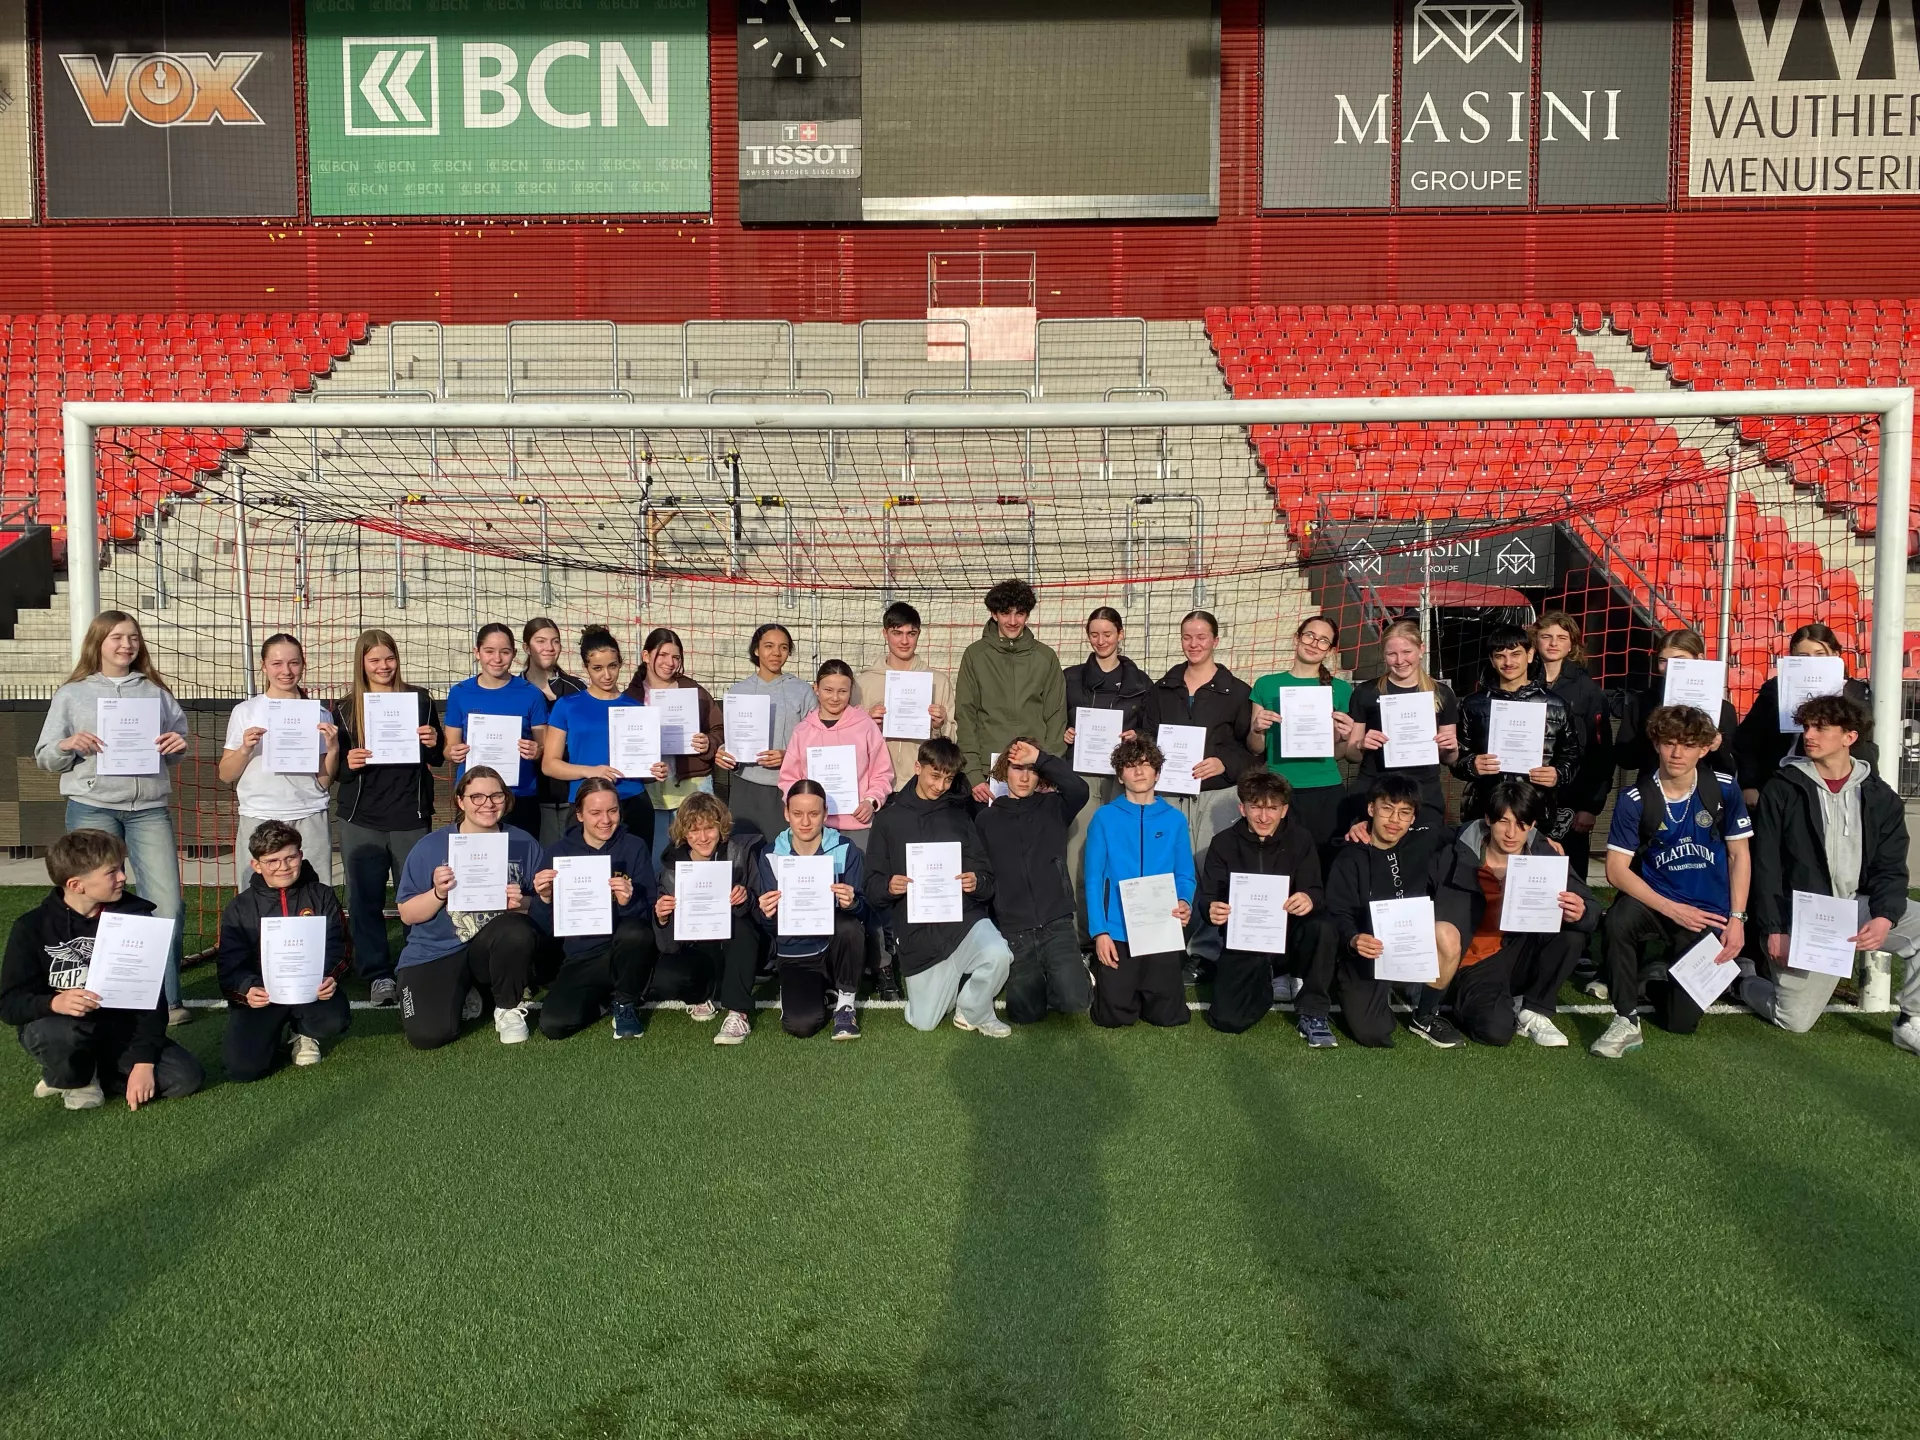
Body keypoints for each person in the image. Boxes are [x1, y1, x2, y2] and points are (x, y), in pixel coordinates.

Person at [34, 610, 191, 1027]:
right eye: (117, 637)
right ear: (98, 642)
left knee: (167, 905)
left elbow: (178, 742)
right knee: (98, 902)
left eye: (133, 637)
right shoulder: (72, 694)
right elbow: (45, 756)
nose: (127, 645)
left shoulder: (156, 692)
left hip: (148, 810)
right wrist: (67, 744)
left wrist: (177, 745)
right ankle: (100, 992)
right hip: (92, 806)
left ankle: (167, 999)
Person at [1741, 693, 1920, 1042]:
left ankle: (1910, 1021)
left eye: (1821, 728)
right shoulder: (1782, 787)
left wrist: (1884, 916)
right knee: (1794, 1019)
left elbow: (1891, 867)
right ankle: (1744, 980)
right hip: (1803, 916)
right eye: (1807, 727)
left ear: (1849, 737)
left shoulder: (1880, 796)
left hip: (1858, 908)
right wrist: (1776, 929)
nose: (1809, 735)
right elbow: (1766, 866)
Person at [1593, 704, 1753, 1058]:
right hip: (1658, 903)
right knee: (1618, 919)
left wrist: (1737, 919)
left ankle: (1655, 978)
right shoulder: (1634, 799)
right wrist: (1671, 908)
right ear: (1656, 744)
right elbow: (1616, 871)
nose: (1677, 753)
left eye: (1688, 744)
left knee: (1681, 1023)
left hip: (1708, 913)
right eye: (1669, 743)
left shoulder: (1724, 789)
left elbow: (1739, 856)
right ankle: (1625, 1019)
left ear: (1705, 748)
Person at [1, 829, 203, 1110]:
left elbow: (150, 999)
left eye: (121, 868)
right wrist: (54, 1003)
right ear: (76, 885)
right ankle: (78, 1080)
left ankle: (76, 1072)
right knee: (59, 1033)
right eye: (112, 872)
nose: (122, 877)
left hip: (119, 1029)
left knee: (185, 1078)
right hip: (60, 1026)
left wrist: (143, 1063)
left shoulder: (136, 916)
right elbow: (9, 1004)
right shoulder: (32, 927)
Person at [1429, 780, 1597, 1047]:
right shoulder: (1453, 852)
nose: (1511, 833)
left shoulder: (1544, 855)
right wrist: (1367, 829)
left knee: (1571, 936)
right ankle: (1482, 1002)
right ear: (1488, 819)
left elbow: (1591, 907)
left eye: (1521, 824)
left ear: (1532, 825)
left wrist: (1581, 912)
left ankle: (1534, 1009)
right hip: (1473, 963)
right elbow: (1412, 840)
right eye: (1503, 822)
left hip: (1517, 950)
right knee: (1495, 1032)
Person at [864, 737, 1014, 1036]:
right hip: (919, 934)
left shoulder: (960, 815)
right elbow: (871, 886)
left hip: (963, 921)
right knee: (924, 1022)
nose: (940, 786)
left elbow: (986, 877)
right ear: (917, 767)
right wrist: (889, 887)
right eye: (935, 776)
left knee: (999, 954)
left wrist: (976, 881)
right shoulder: (888, 819)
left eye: (948, 779)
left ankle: (973, 1010)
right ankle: (950, 982)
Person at [329, 628, 445, 1008]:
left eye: (389, 658)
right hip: (361, 818)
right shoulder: (346, 709)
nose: (383, 666)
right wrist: (348, 764)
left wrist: (435, 743)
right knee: (365, 900)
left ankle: (418, 965)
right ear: (362, 663)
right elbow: (337, 772)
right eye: (375, 660)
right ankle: (378, 973)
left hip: (410, 815)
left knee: (418, 895)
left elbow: (436, 757)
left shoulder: (420, 700)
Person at [392, 767, 548, 1049]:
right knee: (428, 1035)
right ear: (460, 801)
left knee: (516, 929)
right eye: (477, 797)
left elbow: (546, 908)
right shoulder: (430, 846)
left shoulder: (524, 842)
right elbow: (407, 914)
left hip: (490, 949)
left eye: (496, 796)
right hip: (437, 950)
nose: (487, 804)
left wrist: (522, 904)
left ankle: (507, 1006)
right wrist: (438, 893)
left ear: (506, 799)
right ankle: (469, 992)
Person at [1196, 769, 1338, 1044]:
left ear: (1284, 810)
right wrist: (1211, 909)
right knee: (1227, 1020)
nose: (1264, 817)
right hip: (1245, 938)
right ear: (1243, 808)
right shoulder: (1223, 843)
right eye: (1256, 807)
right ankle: (1267, 979)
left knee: (1323, 926)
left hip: (1291, 935)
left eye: (1272, 808)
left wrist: (1308, 898)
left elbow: (1316, 890)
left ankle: (1313, 1011)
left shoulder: (1301, 839)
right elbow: (1208, 895)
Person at [216, 820, 352, 1082]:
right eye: (273, 861)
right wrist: (248, 989)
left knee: (333, 1018)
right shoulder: (241, 907)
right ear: (256, 865)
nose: (283, 867)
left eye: (290, 857)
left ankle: (304, 1032)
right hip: (265, 996)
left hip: (311, 992)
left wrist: (330, 976)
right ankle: (269, 1036)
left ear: (300, 855)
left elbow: (341, 945)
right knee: (243, 1069)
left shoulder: (321, 895)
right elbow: (229, 965)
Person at [1325, 774, 1453, 1048]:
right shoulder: (1350, 856)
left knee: (1447, 933)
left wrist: (1539, 839)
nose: (1394, 820)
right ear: (1371, 809)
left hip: (1411, 951)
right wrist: (1353, 939)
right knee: (1373, 1033)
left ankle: (1424, 1013)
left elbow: (1476, 829)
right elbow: (1337, 910)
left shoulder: (1424, 839)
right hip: (1367, 954)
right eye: (1387, 809)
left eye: (1404, 813)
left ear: (1413, 818)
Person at [531, 777, 660, 1042]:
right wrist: (543, 898)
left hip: (625, 950)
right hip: (582, 956)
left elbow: (649, 914)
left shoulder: (634, 846)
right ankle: (604, 1001)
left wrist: (629, 902)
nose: (606, 820)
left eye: (612, 811)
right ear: (579, 815)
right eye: (595, 813)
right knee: (555, 1024)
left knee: (636, 934)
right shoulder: (558, 852)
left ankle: (625, 1002)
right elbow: (543, 927)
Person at [1083, 735, 1196, 1029]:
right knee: (1112, 1017)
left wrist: (1184, 901)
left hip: (1162, 927)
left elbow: (1185, 875)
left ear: (1157, 773)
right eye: (1130, 765)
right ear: (1120, 776)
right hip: (1118, 931)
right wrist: (1100, 932)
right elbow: (1093, 879)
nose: (1139, 771)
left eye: (1146, 764)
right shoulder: (1104, 818)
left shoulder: (1174, 820)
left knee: (1168, 1017)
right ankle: (1099, 972)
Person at [976, 739, 1091, 1023]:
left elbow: (1080, 789)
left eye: (1032, 770)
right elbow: (984, 873)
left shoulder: (1054, 806)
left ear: (1041, 775)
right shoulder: (986, 819)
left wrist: (1040, 757)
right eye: (1018, 768)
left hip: (1057, 922)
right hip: (1016, 930)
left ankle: (1073, 973)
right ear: (1004, 772)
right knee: (1025, 1014)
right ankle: (1046, 979)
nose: (1024, 777)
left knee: (1075, 1002)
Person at [1061, 607, 1154, 944]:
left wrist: (1138, 737)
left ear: (1120, 634)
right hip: (1082, 778)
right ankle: (1079, 936)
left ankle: (1123, 932)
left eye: (1108, 634)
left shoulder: (1142, 683)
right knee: (1079, 856)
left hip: (1121, 779)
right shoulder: (1069, 678)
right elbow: (1054, 720)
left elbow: (1152, 730)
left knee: (1122, 855)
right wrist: (1064, 733)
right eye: (1094, 634)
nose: (1101, 641)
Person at [219, 632, 339, 887]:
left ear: (303, 665)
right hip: (259, 814)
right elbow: (226, 774)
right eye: (277, 663)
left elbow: (323, 781)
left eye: (293, 663)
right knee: (257, 899)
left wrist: (333, 750)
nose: (286, 671)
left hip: (309, 814)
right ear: (263, 666)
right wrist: (245, 749)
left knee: (314, 897)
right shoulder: (245, 711)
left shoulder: (319, 714)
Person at [753, 780, 869, 1040]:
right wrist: (766, 914)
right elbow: (769, 926)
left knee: (849, 925)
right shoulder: (771, 854)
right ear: (786, 813)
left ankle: (846, 1002)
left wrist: (854, 904)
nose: (805, 822)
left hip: (834, 946)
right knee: (801, 1025)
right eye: (797, 813)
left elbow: (865, 915)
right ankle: (814, 991)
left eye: (814, 813)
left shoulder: (846, 849)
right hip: (796, 951)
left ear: (825, 814)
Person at [652, 791, 765, 1047]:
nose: (702, 837)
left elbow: (763, 917)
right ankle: (704, 993)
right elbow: (667, 946)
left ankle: (738, 1012)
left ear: (721, 827)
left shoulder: (741, 852)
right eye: (694, 830)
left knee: (742, 926)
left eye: (709, 828)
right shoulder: (671, 868)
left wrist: (746, 899)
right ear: (683, 833)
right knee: (664, 978)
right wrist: (662, 919)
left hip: (738, 947)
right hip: (699, 948)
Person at [1146, 610, 1257, 866]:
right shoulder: (1161, 689)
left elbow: (1252, 752)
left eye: (1201, 637)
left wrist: (1224, 763)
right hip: (1170, 795)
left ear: (1215, 641)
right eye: (1187, 637)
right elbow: (1148, 735)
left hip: (1217, 796)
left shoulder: (1238, 692)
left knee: (1212, 867)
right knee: (1169, 868)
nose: (1193, 644)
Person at [1451, 623, 1581, 839]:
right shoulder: (1472, 704)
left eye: (1515, 654)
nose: (1508, 662)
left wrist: (1558, 774)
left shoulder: (1556, 704)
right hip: (1484, 812)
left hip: (1536, 811)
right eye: (1500, 656)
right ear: (1492, 660)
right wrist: (1472, 764)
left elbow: (1572, 755)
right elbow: (1455, 757)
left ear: (1530, 655)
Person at [541, 626, 666, 847]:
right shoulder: (567, 706)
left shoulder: (636, 708)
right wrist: (591, 771)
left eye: (612, 666)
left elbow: (643, 769)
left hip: (632, 803)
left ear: (620, 664)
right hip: (586, 804)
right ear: (586, 667)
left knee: (633, 868)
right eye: (597, 668)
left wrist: (654, 771)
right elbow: (549, 765)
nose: (606, 675)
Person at [1249, 615, 1360, 855]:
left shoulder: (1340, 689)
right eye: (1309, 636)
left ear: (1330, 650)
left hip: (1325, 790)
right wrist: (1257, 729)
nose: (1314, 644)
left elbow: (1338, 754)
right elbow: (1256, 747)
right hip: (1278, 789)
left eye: (1323, 640)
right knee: (1280, 862)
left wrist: (1343, 737)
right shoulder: (1266, 684)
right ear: (1296, 638)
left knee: (1326, 863)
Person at [1731, 622, 1877, 805]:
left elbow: (1864, 743)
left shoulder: (1856, 693)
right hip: (1780, 781)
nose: (1812, 661)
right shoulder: (1775, 690)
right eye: (1803, 656)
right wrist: (1749, 785)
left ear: (1836, 655)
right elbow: (1747, 739)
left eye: (1820, 654)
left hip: (1839, 787)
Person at [955, 578, 1066, 802]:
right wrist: (974, 774)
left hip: (1033, 773)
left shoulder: (1045, 657)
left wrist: (1047, 769)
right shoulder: (975, 655)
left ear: (1027, 615)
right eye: (1006, 613)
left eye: (1020, 613)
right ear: (994, 614)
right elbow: (966, 717)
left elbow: (1056, 718)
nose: (1013, 621)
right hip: (987, 774)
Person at [1345, 618, 1461, 831]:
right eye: (1392, 654)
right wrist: (1361, 744)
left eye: (1407, 652)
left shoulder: (1442, 694)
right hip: (1376, 787)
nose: (1400, 660)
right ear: (1384, 655)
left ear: (1421, 649)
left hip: (1424, 791)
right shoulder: (1366, 692)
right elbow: (1352, 755)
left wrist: (1451, 748)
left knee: (1423, 850)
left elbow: (1449, 758)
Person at [626, 628, 724, 868]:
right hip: (651, 792)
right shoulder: (631, 697)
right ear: (646, 656)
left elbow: (719, 729)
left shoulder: (694, 691)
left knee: (699, 856)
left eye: (676, 657)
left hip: (693, 786)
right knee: (656, 861)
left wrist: (708, 742)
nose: (670, 663)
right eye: (663, 655)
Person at [443, 623, 550, 838]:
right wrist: (453, 752)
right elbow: (448, 749)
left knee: (519, 857)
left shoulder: (531, 694)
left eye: (505, 652)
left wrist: (535, 751)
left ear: (514, 654)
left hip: (519, 795)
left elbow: (544, 747)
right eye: (489, 651)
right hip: (475, 797)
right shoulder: (460, 693)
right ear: (477, 653)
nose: (497, 658)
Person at [1531, 611, 1613, 884]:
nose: (1553, 643)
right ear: (1535, 641)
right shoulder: (1520, 682)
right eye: (1546, 636)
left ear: (1572, 645)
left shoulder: (1588, 691)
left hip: (1571, 800)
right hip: (1525, 796)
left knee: (1569, 878)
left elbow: (1601, 754)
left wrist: (1591, 806)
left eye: (1561, 637)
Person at [778, 659, 894, 849]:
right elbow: (789, 779)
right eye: (828, 690)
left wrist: (870, 801)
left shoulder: (865, 726)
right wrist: (801, 809)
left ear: (850, 691)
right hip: (814, 828)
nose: (835, 697)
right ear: (816, 688)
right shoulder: (803, 731)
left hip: (857, 825)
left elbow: (882, 773)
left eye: (842, 691)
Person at [718, 622, 816, 843]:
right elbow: (732, 738)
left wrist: (788, 755)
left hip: (787, 787)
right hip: (746, 787)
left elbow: (816, 742)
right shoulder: (738, 691)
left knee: (784, 851)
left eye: (783, 647)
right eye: (769, 646)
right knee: (744, 852)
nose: (776, 653)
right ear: (756, 650)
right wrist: (724, 752)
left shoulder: (802, 691)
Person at [1610, 628, 1738, 781]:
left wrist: (1718, 747)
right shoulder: (1641, 702)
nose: (1669, 667)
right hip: (1653, 787)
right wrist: (1654, 736)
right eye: (1663, 661)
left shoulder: (1723, 709)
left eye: (1679, 661)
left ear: (1699, 659)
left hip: (1702, 790)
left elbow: (1728, 768)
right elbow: (1625, 759)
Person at [854, 601, 954, 793]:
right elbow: (849, 737)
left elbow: (953, 740)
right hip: (876, 785)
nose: (904, 641)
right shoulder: (863, 683)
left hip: (923, 787)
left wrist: (939, 726)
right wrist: (867, 723)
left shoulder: (938, 682)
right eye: (897, 633)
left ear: (919, 634)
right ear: (885, 633)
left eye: (911, 633)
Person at [521, 616, 586, 847]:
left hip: (572, 795)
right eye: (541, 641)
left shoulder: (577, 689)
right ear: (526, 647)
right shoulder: (515, 690)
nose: (549, 647)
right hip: (531, 797)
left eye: (555, 641)